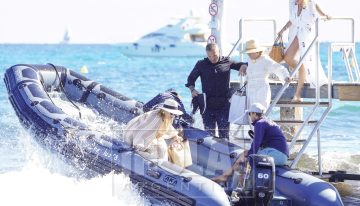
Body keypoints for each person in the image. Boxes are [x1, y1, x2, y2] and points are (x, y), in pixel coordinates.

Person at [212, 103, 289, 183]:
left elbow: (256, 144)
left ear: (254, 114)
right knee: (246, 154)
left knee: (247, 157)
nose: (249, 116)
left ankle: (236, 180)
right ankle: (228, 177)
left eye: (250, 113)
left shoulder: (260, 124)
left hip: (275, 154)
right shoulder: (268, 121)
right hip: (282, 156)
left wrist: (248, 157)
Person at [185, 43, 248, 139]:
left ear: (219, 52)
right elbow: (190, 79)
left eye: (214, 55)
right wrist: (192, 90)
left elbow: (242, 64)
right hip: (207, 106)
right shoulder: (201, 64)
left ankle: (225, 152)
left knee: (224, 136)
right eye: (209, 56)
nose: (212, 58)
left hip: (224, 106)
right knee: (209, 136)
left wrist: (243, 65)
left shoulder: (227, 62)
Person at [278, 0, 330, 102]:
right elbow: (292, 20)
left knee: (305, 62)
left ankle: (297, 95)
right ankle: (303, 71)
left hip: (306, 35)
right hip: (295, 33)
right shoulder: (292, 3)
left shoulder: (311, 3)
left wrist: (326, 15)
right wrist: (282, 30)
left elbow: (320, 11)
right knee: (288, 58)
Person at [240, 39, 291, 110]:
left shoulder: (265, 60)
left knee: (260, 112)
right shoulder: (250, 59)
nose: (248, 54)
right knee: (250, 114)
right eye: (248, 53)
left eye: (250, 53)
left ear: (257, 52)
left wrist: (285, 76)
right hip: (250, 91)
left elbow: (278, 68)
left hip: (261, 91)